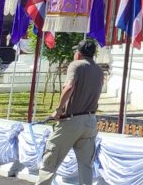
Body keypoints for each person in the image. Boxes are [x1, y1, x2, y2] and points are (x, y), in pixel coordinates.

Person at [37, 39, 105, 185]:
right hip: (90, 120)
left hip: (72, 120)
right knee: (86, 165)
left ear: (79, 54)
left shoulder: (76, 65)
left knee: (51, 158)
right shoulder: (99, 71)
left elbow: (69, 87)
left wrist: (58, 109)